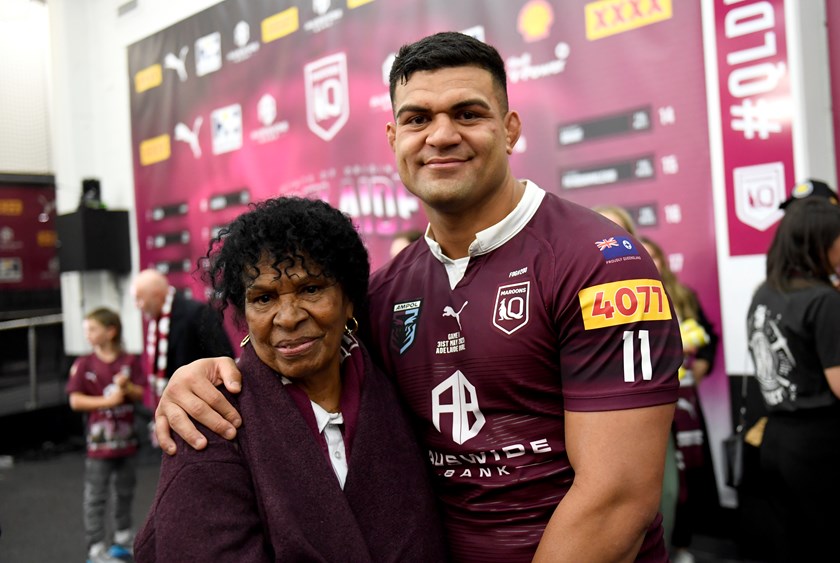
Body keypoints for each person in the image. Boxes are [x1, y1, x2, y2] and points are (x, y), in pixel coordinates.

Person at [153, 31, 683, 562]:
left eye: (468, 113)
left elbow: (618, 500)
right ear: (393, 137)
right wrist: (198, 380)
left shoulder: (600, 263)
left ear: (511, 129)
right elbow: (301, 368)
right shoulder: (385, 292)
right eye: (418, 119)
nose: (442, 135)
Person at [133, 197, 445, 561]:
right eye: (264, 298)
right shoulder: (210, 419)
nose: (288, 317)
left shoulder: (398, 382)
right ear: (245, 313)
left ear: (349, 300)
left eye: (311, 289)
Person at [746, 197, 840, 562]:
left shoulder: (765, 293)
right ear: (819, 242)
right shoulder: (823, 300)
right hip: (821, 445)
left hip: (777, 440)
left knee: (793, 541)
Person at [641, 237, 719, 563]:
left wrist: (697, 369)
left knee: (690, 473)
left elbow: (709, 337)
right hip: (651, 399)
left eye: (656, 256)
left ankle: (684, 543)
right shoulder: (631, 297)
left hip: (685, 399)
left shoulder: (683, 295)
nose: (653, 262)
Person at [65, 307, 146, 563]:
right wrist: (107, 401)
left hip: (127, 443)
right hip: (99, 448)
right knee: (95, 496)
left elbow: (142, 394)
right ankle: (96, 548)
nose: (87, 335)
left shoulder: (129, 362)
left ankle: (122, 540)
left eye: (92, 329)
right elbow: (75, 401)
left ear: (110, 331)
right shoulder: (83, 364)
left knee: (125, 492)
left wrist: (128, 387)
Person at [130, 268, 234, 414]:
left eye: (139, 299)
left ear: (156, 295)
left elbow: (224, 358)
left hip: (202, 406)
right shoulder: (159, 322)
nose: (137, 305)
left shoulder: (196, 313)